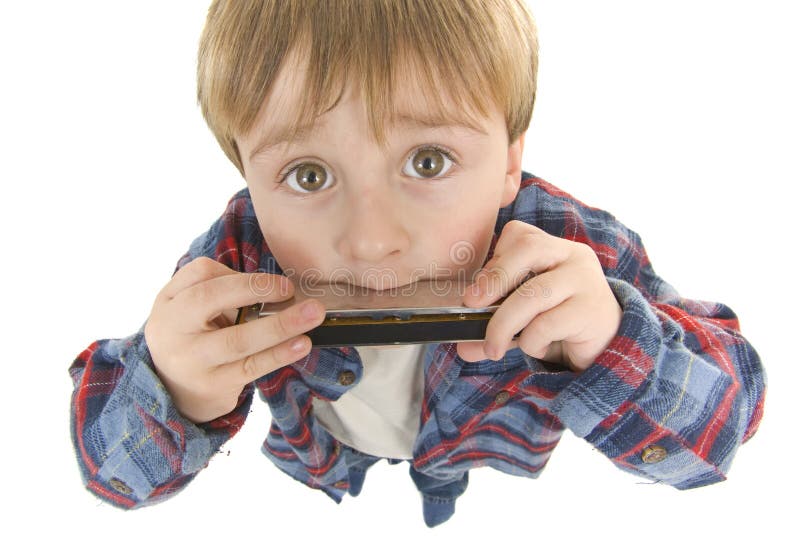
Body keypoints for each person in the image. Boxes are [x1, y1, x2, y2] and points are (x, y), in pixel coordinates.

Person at [68, 0, 766, 527]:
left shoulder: (569, 249)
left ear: (509, 164)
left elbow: (725, 422)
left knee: (450, 486)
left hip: (494, 462)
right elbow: (112, 475)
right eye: (309, 175)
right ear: (247, 174)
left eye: (427, 161)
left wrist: (614, 340)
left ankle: (441, 483)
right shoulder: (237, 261)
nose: (372, 242)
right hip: (325, 465)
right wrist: (175, 388)